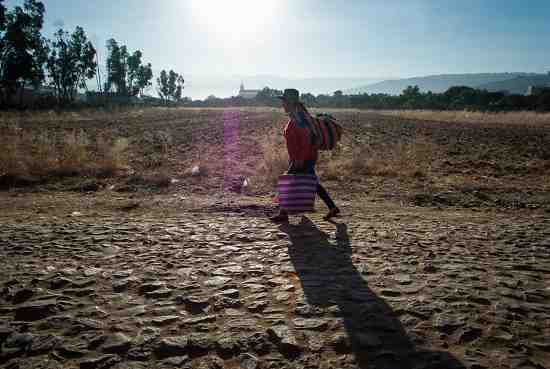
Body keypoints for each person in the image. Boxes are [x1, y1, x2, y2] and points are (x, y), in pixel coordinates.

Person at [270, 88, 340, 222]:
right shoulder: (298, 116)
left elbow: (306, 140)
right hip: (303, 157)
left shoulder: (299, 118)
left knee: (288, 183)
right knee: (313, 183)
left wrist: (300, 159)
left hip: (303, 158)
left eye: (284, 101)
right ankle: (332, 207)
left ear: (290, 103)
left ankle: (283, 213)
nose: (282, 104)